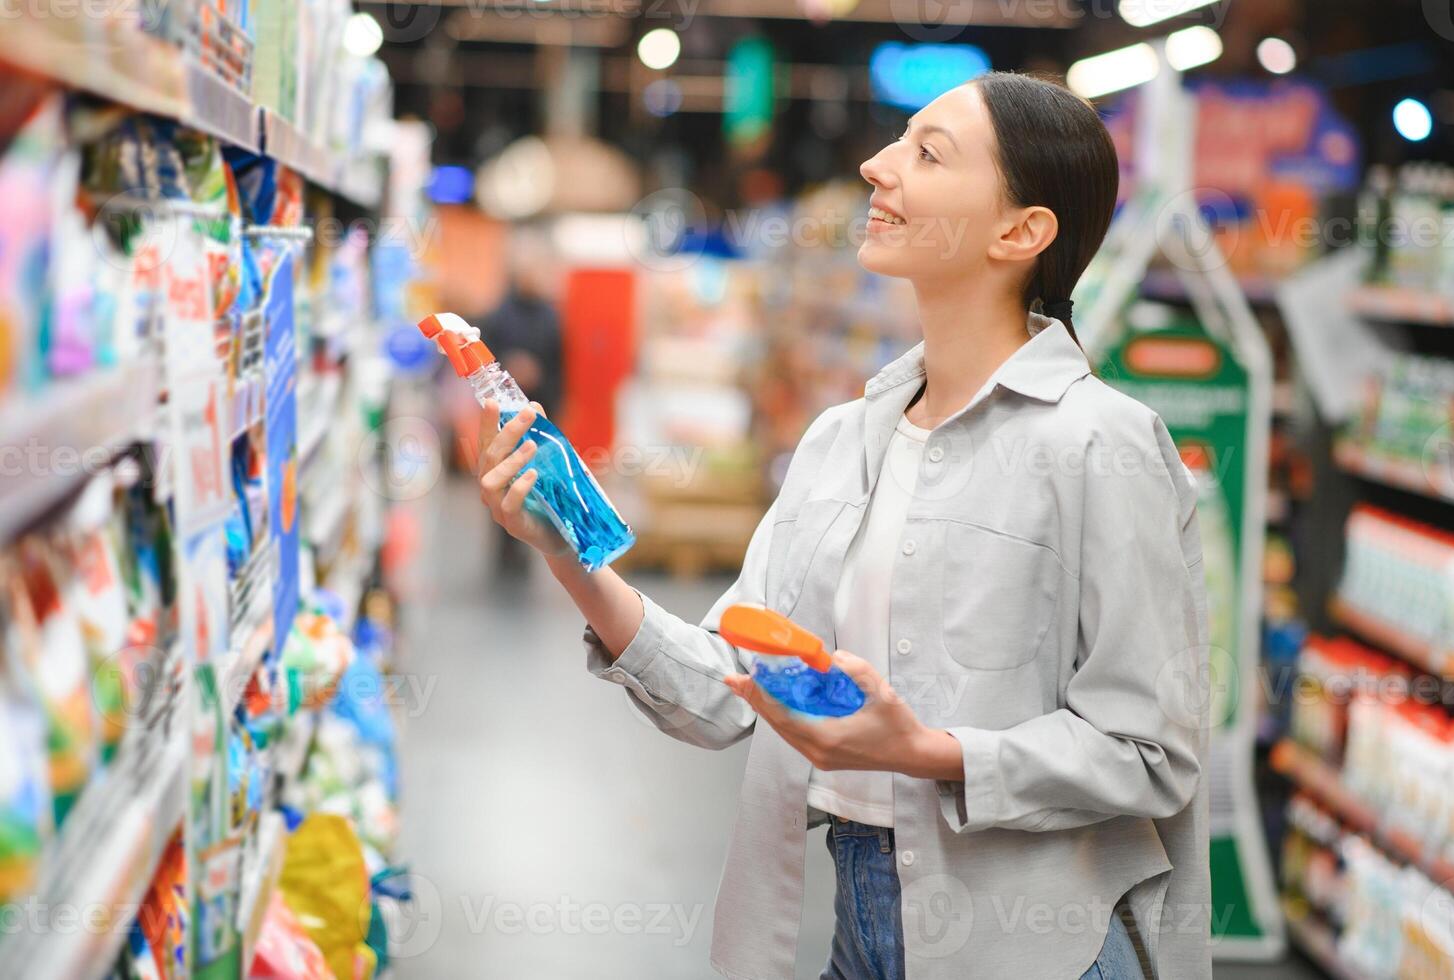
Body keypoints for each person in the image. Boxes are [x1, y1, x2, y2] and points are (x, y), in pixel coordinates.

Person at [478, 72, 1211, 980]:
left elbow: (1150, 752)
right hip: (858, 918)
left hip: (1034, 944)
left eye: (926, 154)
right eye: (897, 143)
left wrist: (928, 755)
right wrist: (568, 552)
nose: (875, 166)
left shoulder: (1102, 444)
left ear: (1020, 232)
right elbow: (727, 687)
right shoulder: (841, 440)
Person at [475, 224, 565, 577]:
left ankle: (528, 549)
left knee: (534, 483)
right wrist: (510, 371)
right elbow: (486, 364)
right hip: (503, 421)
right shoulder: (499, 314)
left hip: (538, 415)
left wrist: (548, 392)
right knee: (500, 480)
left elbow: (560, 364)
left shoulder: (550, 316)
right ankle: (503, 549)